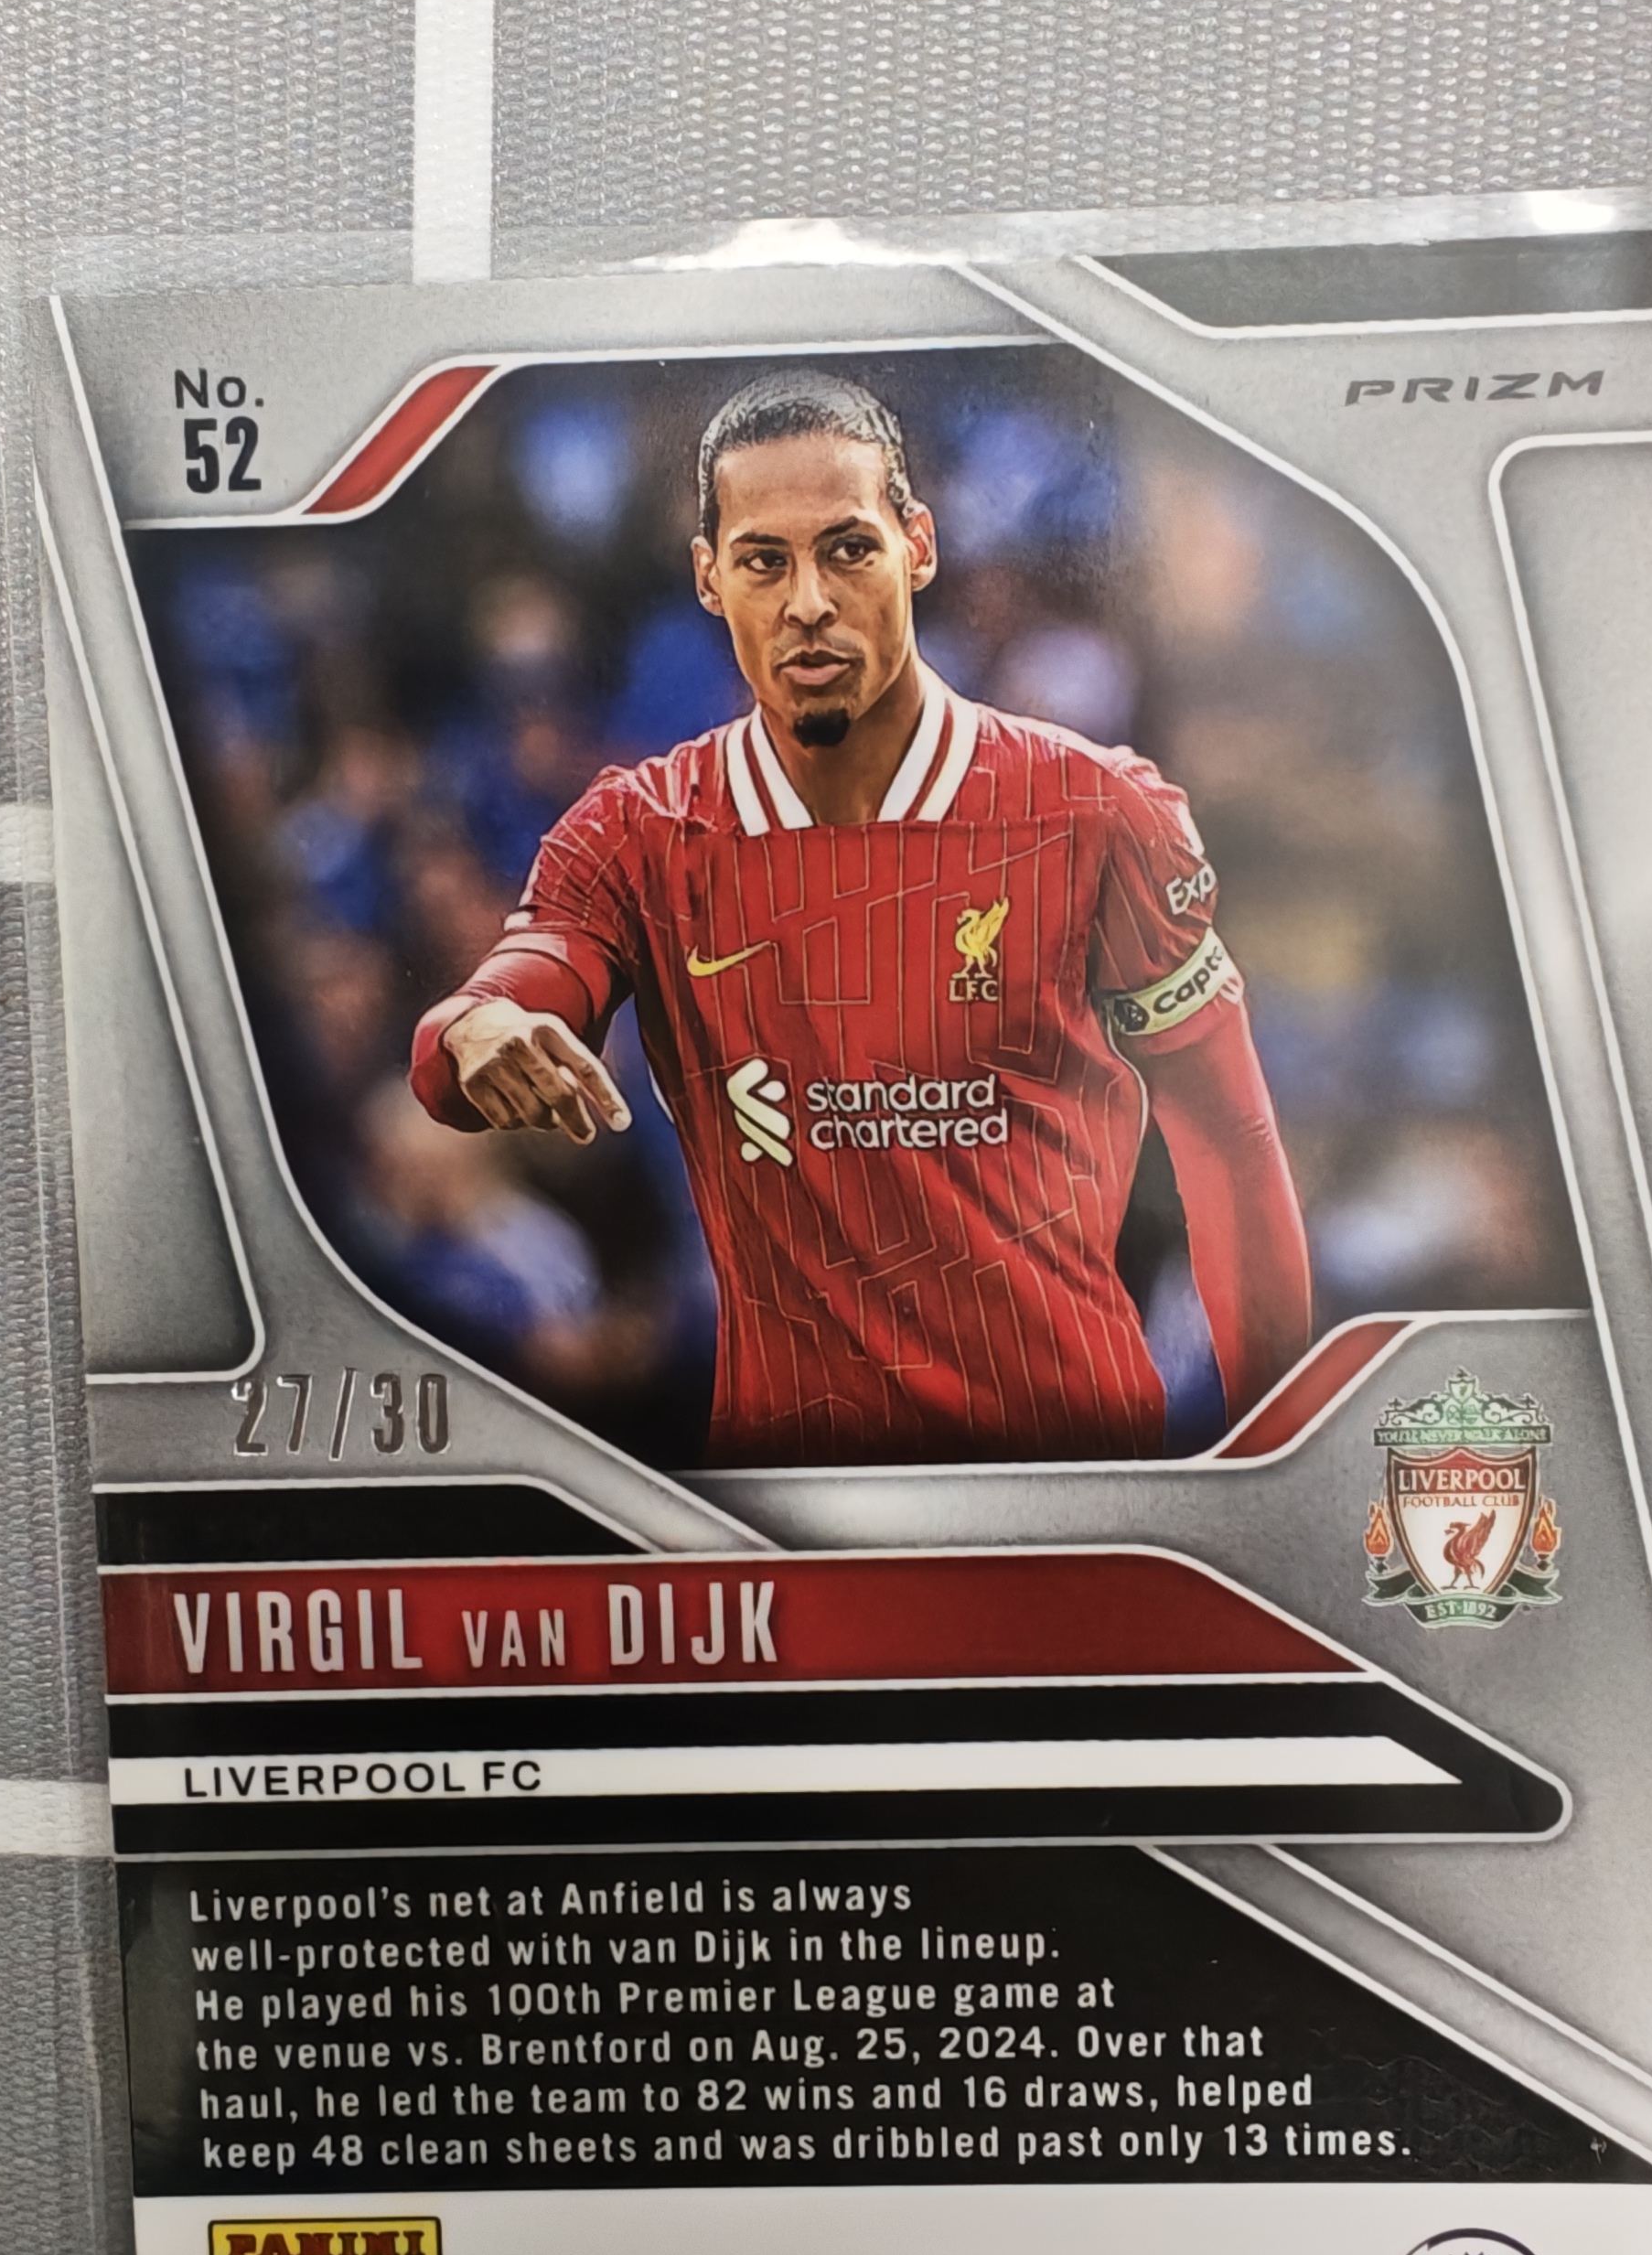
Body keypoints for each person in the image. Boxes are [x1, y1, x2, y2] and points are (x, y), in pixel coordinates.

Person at [410, 369, 1311, 1466]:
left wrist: (1276, 1456)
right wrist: (480, 1026)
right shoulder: (641, 833)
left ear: (917, 546)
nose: (807, 602)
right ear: (708, 577)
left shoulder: (1098, 813)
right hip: (802, 1512)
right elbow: (509, 992)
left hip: (1074, 1485)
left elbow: (1231, 1140)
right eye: (763, 561)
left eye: (846, 549)